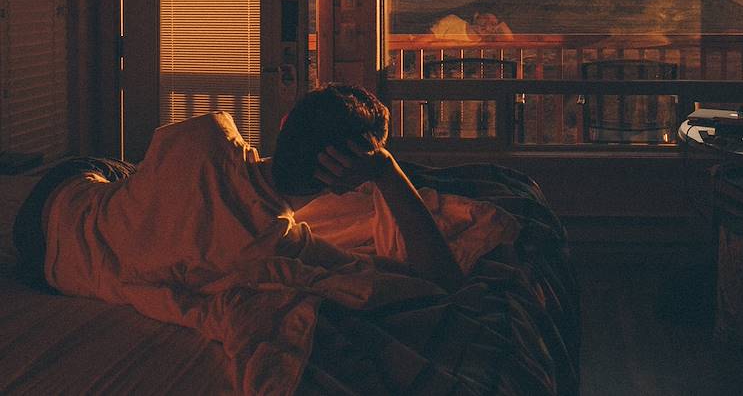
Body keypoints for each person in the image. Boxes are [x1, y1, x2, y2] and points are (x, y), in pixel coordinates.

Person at [14, 84, 515, 297]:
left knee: (140, 179)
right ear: (349, 181)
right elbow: (441, 279)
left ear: (283, 123)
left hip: (64, 191)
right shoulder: (277, 248)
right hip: (47, 265)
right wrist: (386, 172)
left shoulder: (209, 133)